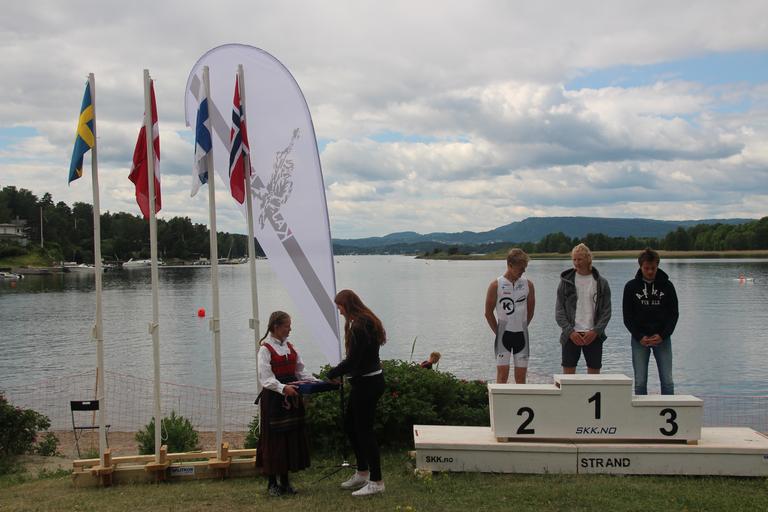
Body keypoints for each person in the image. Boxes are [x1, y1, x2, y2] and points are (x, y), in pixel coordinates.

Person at [327, 289, 387, 497]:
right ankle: (362, 472)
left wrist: (332, 373)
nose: (340, 311)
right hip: (366, 382)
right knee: (351, 426)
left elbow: (353, 361)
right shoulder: (364, 321)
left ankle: (377, 481)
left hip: (368, 384)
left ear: (347, 305)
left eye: (340, 307)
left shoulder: (360, 326)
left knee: (365, 431)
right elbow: (358, 360)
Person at [255, 311, 313, 496]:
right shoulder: (265, 349)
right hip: (274, 399)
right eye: (287, 326)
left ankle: (286, 482)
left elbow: (301, 372)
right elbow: (266, 378)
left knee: (289, 438)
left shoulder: (290, 347)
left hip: (292, 397)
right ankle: (272, 483)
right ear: (276, 326)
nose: (290, 329)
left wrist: (316, 382)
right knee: (274, 440)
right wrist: (283, 388)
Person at [622, 248, 679, 395]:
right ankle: (641, 410)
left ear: (657, 266)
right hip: (640, 340)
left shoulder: (668, 286)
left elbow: (674, 315)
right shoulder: (630, 287)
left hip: (662, 338)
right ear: (640, 266)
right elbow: (627, 317)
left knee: (667, 381)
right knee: (640, 382)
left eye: (653, 268)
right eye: (646, 268)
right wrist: (639, 336)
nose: (650, 271)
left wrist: (663, 335)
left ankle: (669, 405)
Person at [556, 243, 612, 374]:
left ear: (588, 259)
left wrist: (596, 331)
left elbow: (606, 311)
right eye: (574, 259)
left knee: (594, 377)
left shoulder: (601, 283)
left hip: (594, 335)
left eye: (580, 259)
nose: (577, 263)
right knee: (568, 378)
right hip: (570, 335)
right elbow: (559, 311)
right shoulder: (565, 283)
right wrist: (570, 332)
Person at [484, 248, 536, 384]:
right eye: (521, 268)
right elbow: (488, 313)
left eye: (525, 268)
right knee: (502, 377)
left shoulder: (528, 285)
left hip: (522, 336)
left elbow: (531, 311)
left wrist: (522, 326)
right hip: (503, 337)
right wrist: (498, 332)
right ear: (510, 265)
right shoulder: (495, 285)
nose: (523, 271)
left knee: (521, 379)